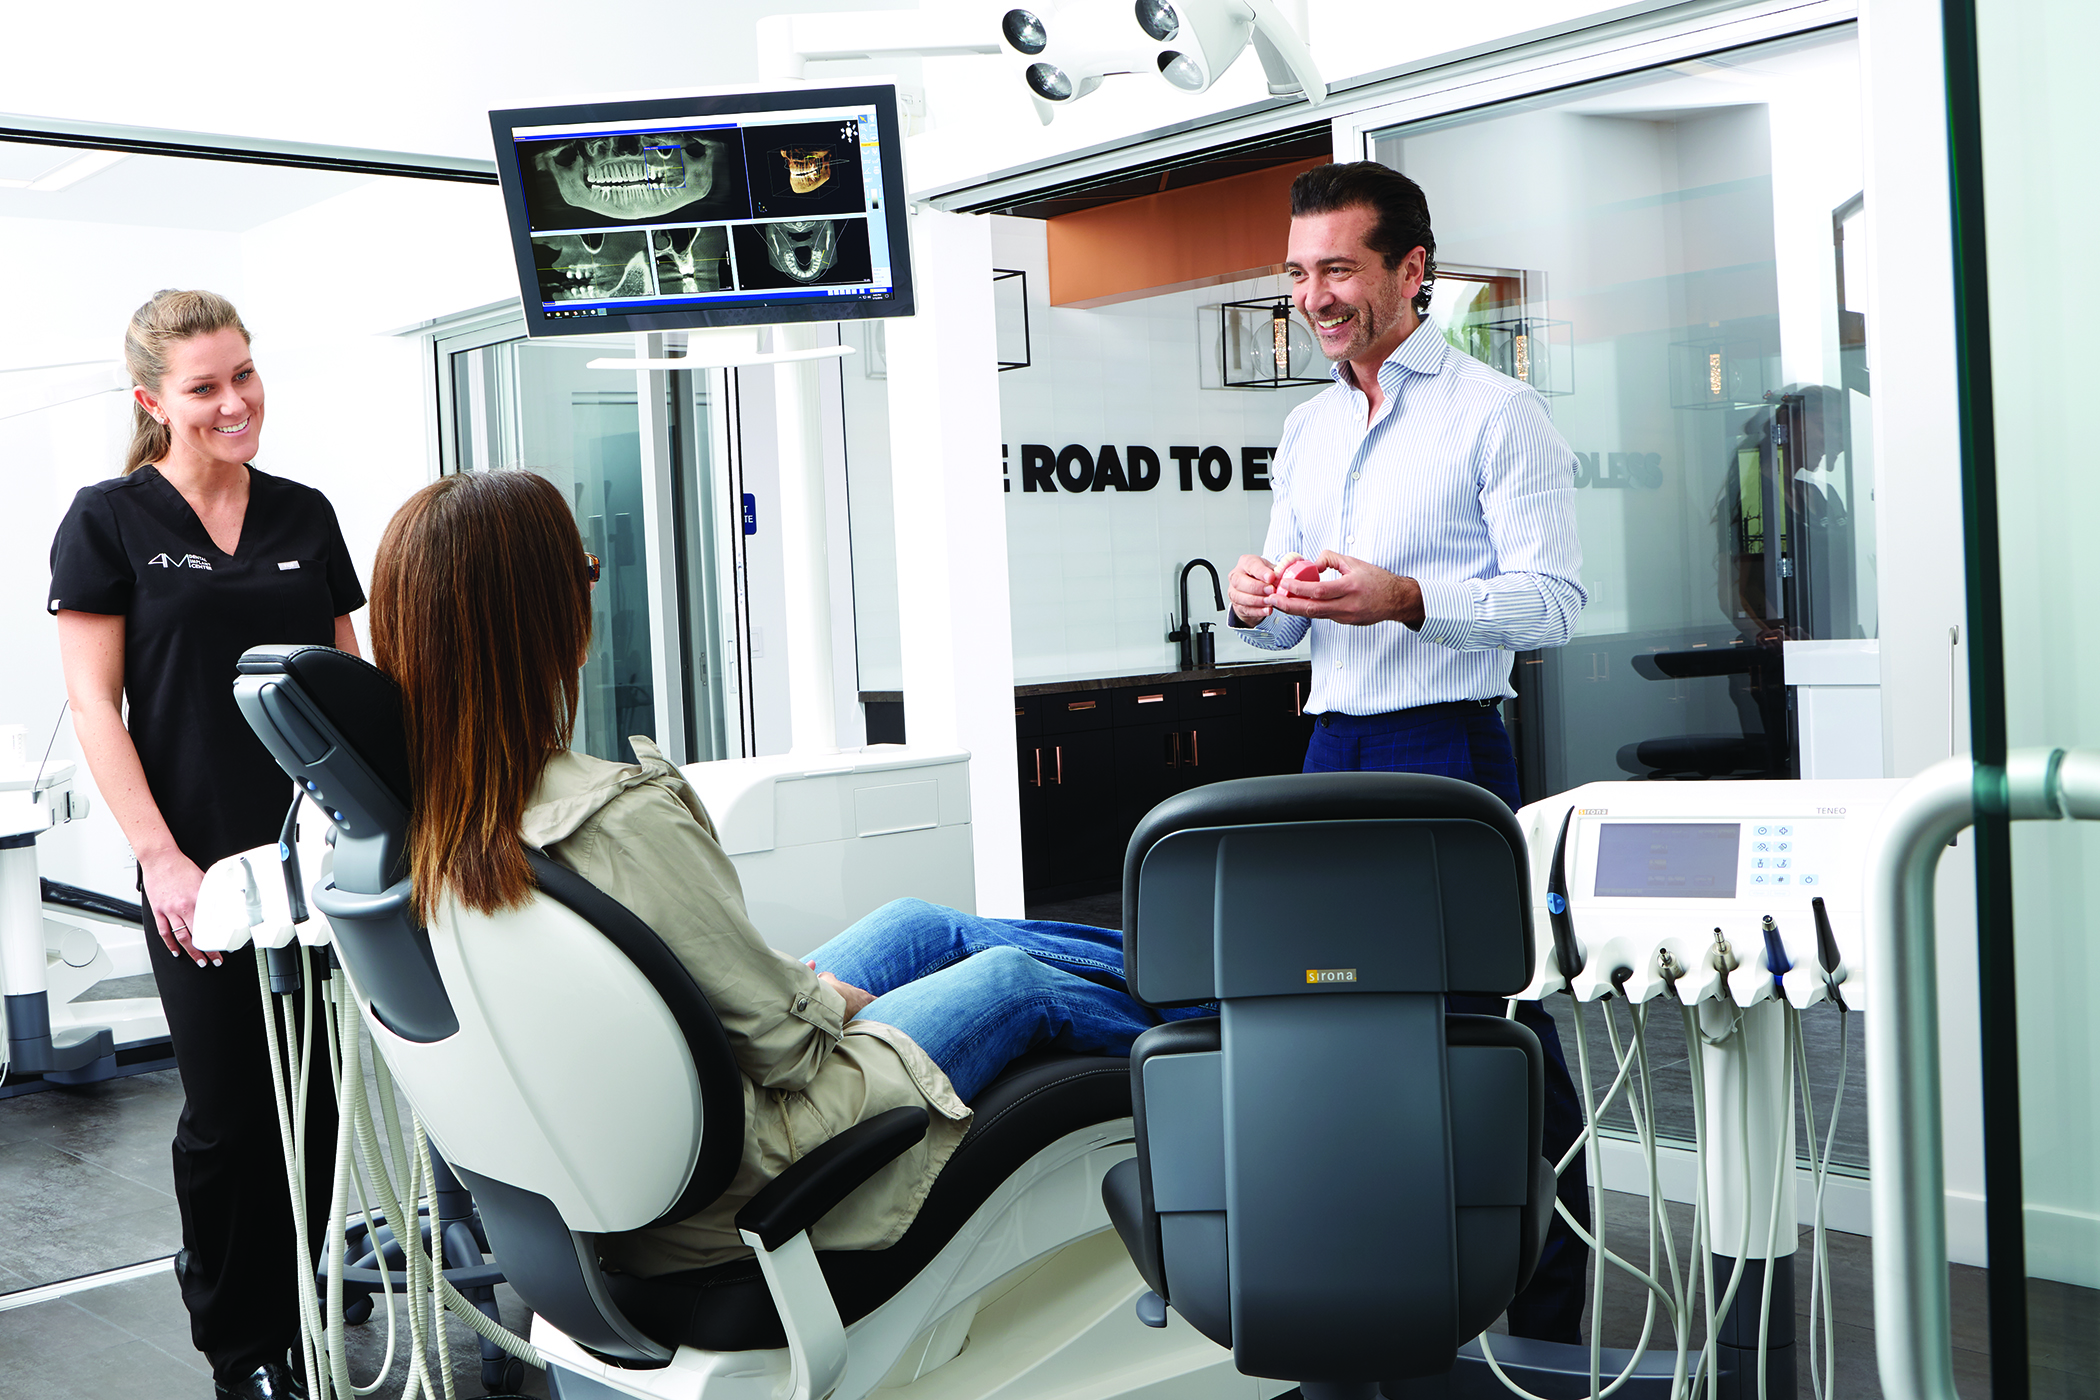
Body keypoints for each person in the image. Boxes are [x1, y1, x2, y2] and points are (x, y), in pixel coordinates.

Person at [368, 469, 1207, 1278]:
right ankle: (1224, 1054)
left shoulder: (439, 824)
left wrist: (798, 991)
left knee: (918, 924)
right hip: (759, 1155)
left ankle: (1202, 993)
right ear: (546, 618)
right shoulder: (617, 816)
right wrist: (826, 1000)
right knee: (1014, 983)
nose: (592, 588)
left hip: (679, 1118)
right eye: (584, 572)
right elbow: (787, 1047)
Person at [1224, 162, 1592, 1345]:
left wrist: (1410, 597)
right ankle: (1390, 1284)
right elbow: (1284, 627)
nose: (1313, 296)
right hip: (1332, 744)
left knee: (1487, 1026)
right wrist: (1255, 600)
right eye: (1299, 272)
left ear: (1411, 270)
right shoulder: (1306, 427)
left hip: (1447, 746)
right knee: (1329, 1022)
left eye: (1337, 268)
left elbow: (1554, 603)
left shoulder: (1497, 413)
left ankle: (1548, 1307)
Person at [51, 290, 365, 1400]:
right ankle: (244, 1343)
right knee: (232, 1111)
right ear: (153, 401)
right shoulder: (109, 521)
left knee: (319, 1102)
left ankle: (304, 1299)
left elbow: (349, 684)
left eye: (244, 374)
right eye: (204, 387)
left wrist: (378, 831)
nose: (235, 402)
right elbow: (95, 706)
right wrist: (160, 860)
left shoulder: (304, 515)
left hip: (317, 860)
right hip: (198, 864)